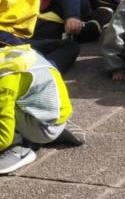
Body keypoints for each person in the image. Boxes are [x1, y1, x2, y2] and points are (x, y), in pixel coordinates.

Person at [0, 45, 84, 175]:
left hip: (43, 126)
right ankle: (58, 129)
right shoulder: (10, 56)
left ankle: (19, 149)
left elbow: (4, 136)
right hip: (54, 114)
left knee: (5, 109)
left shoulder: (5, 80)